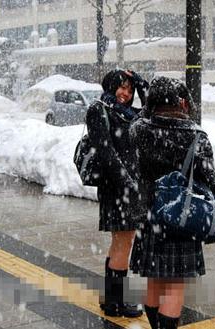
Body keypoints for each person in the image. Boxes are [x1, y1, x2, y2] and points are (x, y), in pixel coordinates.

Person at [129, 77, 215, 329]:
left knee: (154, 282)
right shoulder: (196, 136)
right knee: (174, 286)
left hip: (150, 214)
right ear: (181, 101)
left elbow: (139, 121)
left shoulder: (139, 130)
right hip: (182, 216)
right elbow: (210, 179)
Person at [85, 69, 148, 317]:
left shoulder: (129, 113)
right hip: (118, 189)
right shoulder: (99, 109)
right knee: (123, 243)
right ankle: (116, 302)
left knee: (120, 243)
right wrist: (127, 183)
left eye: (130, 90)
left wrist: (141, 84)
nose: (126, 93)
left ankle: (111, 299)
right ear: (110, 86)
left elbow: (150, 111)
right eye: (121, 87)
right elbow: (106, 152)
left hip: (125, 187)